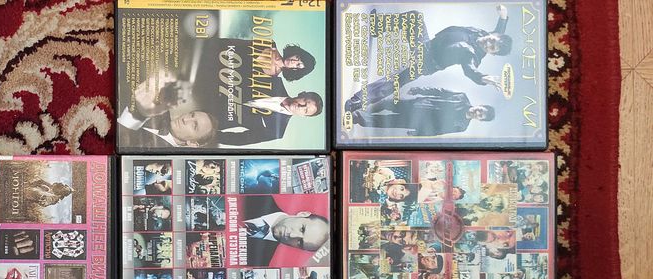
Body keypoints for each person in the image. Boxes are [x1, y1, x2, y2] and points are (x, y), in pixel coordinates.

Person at [345, 5, 512, 111]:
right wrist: (503, 17)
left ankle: (358, 101)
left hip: (426, 63)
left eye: (492, 48)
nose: (488, 43)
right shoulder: (482, 33)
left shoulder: (472, 54)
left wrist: (482, 78)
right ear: (494, 35)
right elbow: (499, 32)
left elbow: (470, 70)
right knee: (414, 18)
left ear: (492, 53)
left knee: (396, 79)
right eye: (492, 40)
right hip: (425, 45)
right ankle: (376, 26)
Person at [350, 87, 495, 136]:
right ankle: (361, 109)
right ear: (480, 105)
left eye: (481, 115)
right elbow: (440, 91)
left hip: (417, 122)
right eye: (481, 110)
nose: (478, 113)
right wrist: (420, 90)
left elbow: (439, 131)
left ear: (480, 120)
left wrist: (418, 133)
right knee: (388, 102)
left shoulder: (462, 126)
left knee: (385, 122)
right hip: (418, 104)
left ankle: (357, 117)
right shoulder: (462, 97)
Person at [241, 196, 330, 265]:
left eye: (300, 242)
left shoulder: (260, 261)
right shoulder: (257, 195)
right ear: (303, 214)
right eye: (302, 229)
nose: (292, 235)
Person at [218, 92, 323, 147]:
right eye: (305, 102)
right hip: (215, 93)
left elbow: (242, 139)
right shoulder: (275, 82)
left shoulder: (278, 131)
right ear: (302, 94)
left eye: (305, 110)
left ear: (303, 116)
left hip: (216, 121)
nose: (301, 106)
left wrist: (214, 136)